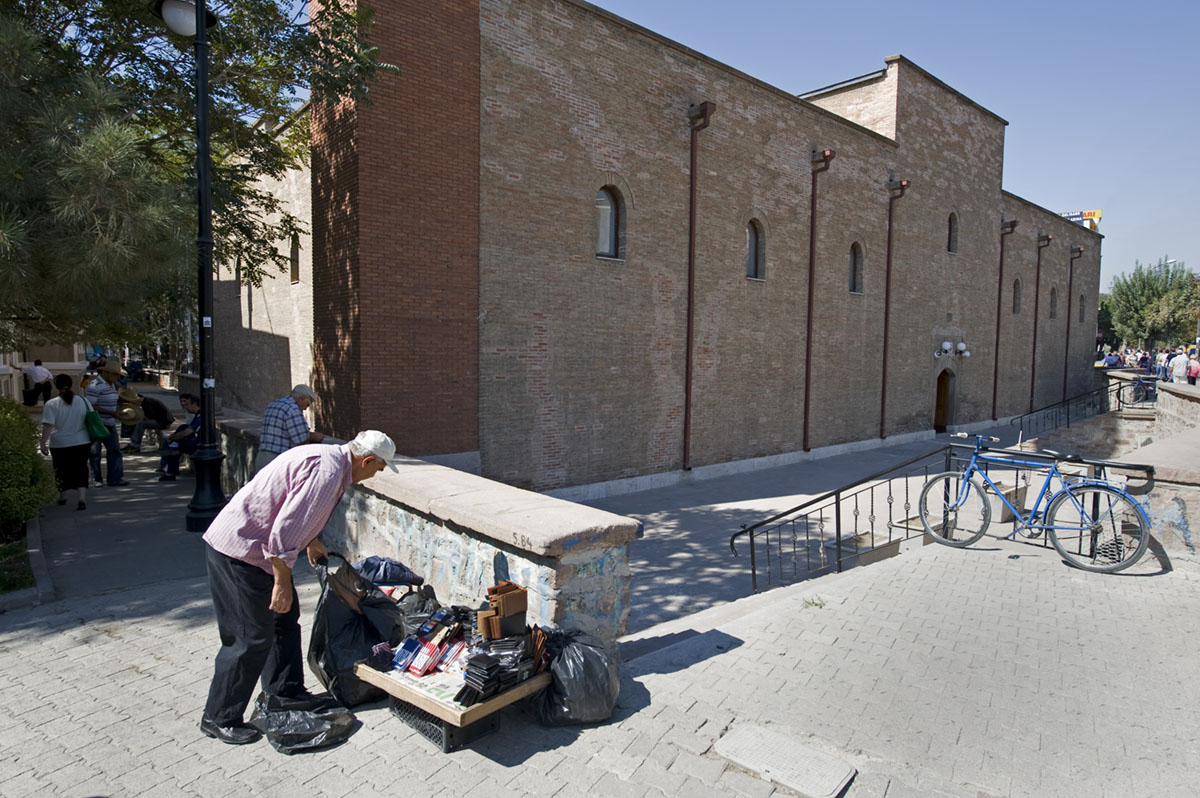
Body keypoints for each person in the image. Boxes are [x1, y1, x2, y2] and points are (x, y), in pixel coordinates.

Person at [199, 430, 398, 745]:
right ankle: (219, 717)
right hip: (241, 552)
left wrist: (312, 539)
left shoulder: (330, 458)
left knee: (284, 621)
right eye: (378, 468)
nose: (377, 474)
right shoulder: (330, 473)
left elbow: (294, 508)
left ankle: (285, 690)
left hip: (254, 549)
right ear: (366, 459)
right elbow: (284, 531)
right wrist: (281, 583)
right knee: (250, 637)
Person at [38, 375, 91, 511]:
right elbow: (90, 418)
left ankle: (63, 496)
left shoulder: (51, 404)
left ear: (56, 386)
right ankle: (82, 498)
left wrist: (43, 442)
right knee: (81, 468)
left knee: (61, 470)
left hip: (59, 443)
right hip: (82, 441)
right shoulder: (83, 401)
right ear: (71, 384)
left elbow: (48, 425)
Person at [255, 385, 325, 473]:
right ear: (301, 398)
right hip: (277, 460)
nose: (306, 408)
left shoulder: (273, 405)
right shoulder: (293, 409)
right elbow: (300, 439)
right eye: (308, 403)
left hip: (261, 457)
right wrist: (314, 436)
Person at [85, 361, 127, 487]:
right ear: (106, 373)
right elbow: (91, 406)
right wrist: (111, 412)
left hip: (110, 422)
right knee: (95, 453)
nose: (118, 377)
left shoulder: (112, 385)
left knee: (114, 451)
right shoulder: (95, 386)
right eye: (115, 375)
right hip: (97, 423)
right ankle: (97, 479)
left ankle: (115, 478)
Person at [160, 393, 201, 481]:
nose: (185, 407)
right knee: (181, 429)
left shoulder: (200, 416)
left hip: (199, 443)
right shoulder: (197, 415)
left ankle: (169, 472)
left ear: (194, 404)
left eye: (187, 404)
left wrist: (172, 437)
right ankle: (168, 467)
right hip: (197, 440)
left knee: (173, 444)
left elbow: (187, 432)